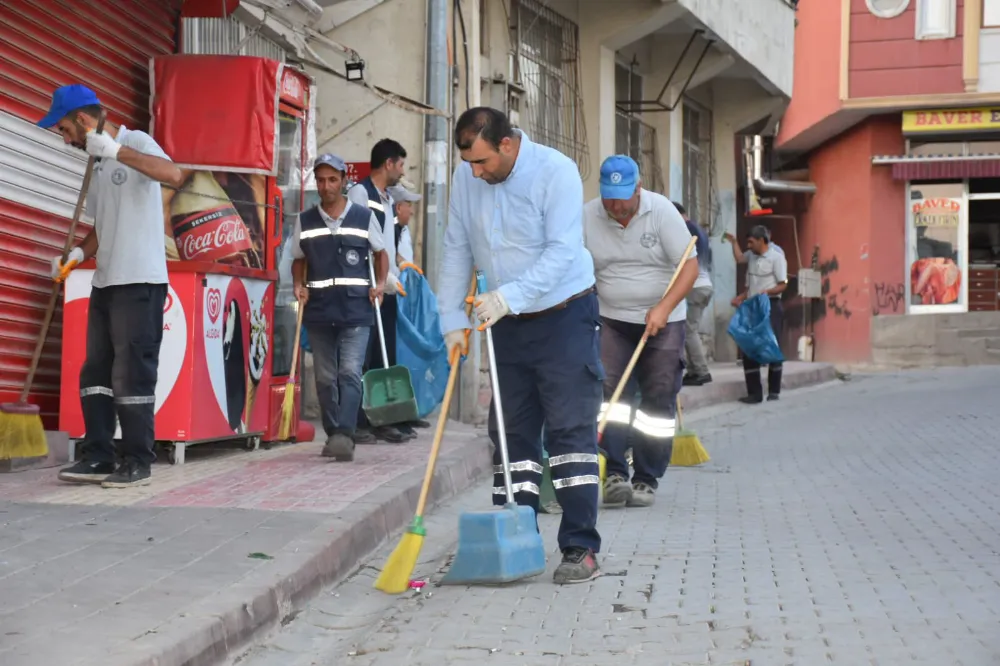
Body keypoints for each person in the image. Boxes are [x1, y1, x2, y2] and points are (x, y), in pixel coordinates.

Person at [437, 107, 603, 584]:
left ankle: (579, 547)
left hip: (563, 317)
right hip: (504, 322)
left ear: (507, 144)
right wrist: (451, 322)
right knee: (511, 436)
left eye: (482, 162)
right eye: (468, 163)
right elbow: (456, 247)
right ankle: (517, 539)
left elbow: (562, 252)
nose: (474, 172)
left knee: (570, 435)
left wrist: (505, 297)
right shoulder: (469, 179)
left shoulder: (556, 172)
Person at [44, 84, 184, 488]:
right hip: (106, 282)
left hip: (140, 281)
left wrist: (115, 150)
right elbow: (101, 229)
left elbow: (172, 174)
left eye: (66, 129)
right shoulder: (96, 162)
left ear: (84, 121)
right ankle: (99, 456)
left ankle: (138, 460)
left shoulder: (132, 142)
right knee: (96, 372)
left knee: (132, 373)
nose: (65, 138)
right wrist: (76, 254)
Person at [584, 157, 698, 509]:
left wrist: (663, 308)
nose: (616, 206)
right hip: (612, 318)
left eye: (622, 197)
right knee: (608, 392)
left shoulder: (662, 212)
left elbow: (689, 267)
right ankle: (615, 471)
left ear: (638, 187)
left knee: (658, 394)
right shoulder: (587, 217)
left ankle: (647, 477)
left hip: (664, 319)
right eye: (609, 198)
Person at [292, 154, 389, 461]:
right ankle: (333, 432)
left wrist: (382, 283)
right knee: (324, 377)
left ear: (343, 181)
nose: (326, 185)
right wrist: (298, 285)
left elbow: (380, 253)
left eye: (332, 179)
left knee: (349, 372)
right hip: (319, 311)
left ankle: (345, 434)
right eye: (320, 180)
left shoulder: (362, 216)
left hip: (356, 310)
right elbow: (298, 259)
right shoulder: (305, 221)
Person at [348, 139, 412, 444]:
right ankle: (360, 420)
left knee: (384, 354)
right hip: (368, 285)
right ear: (388, 163)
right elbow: (360, 238)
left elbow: (387, 242)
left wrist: (393, 277)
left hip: (386, 284)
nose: (401, 171)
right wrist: (377, 279)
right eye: (400, 164)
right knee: (364, 352)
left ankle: (384, 419)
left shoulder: (386, 198)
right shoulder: (361, 193)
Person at [731, 225, 788, 403]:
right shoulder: (751, 256)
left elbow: (783, 283)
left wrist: (767, 292)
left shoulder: (776, 257)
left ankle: (774, 391)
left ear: (762, 241)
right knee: (749, 347)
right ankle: (754, 393)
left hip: (770, 305)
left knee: (771, 345)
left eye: (751, 242)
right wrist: (733, 242)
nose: (749, 245)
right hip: (752, 306)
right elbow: (740, 259)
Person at [672, 202, 714, 387]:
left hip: (695, 286)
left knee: (689, 330)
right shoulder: (699, 230)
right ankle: (693, 370)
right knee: (689, 329)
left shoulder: (686, 229)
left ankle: (701, 371)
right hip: (704, 285)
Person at [388, 183, 420, 267]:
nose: (412, 212)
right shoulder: (390, 230)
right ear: (398, 208)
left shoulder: (403, 228)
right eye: (409, 205)